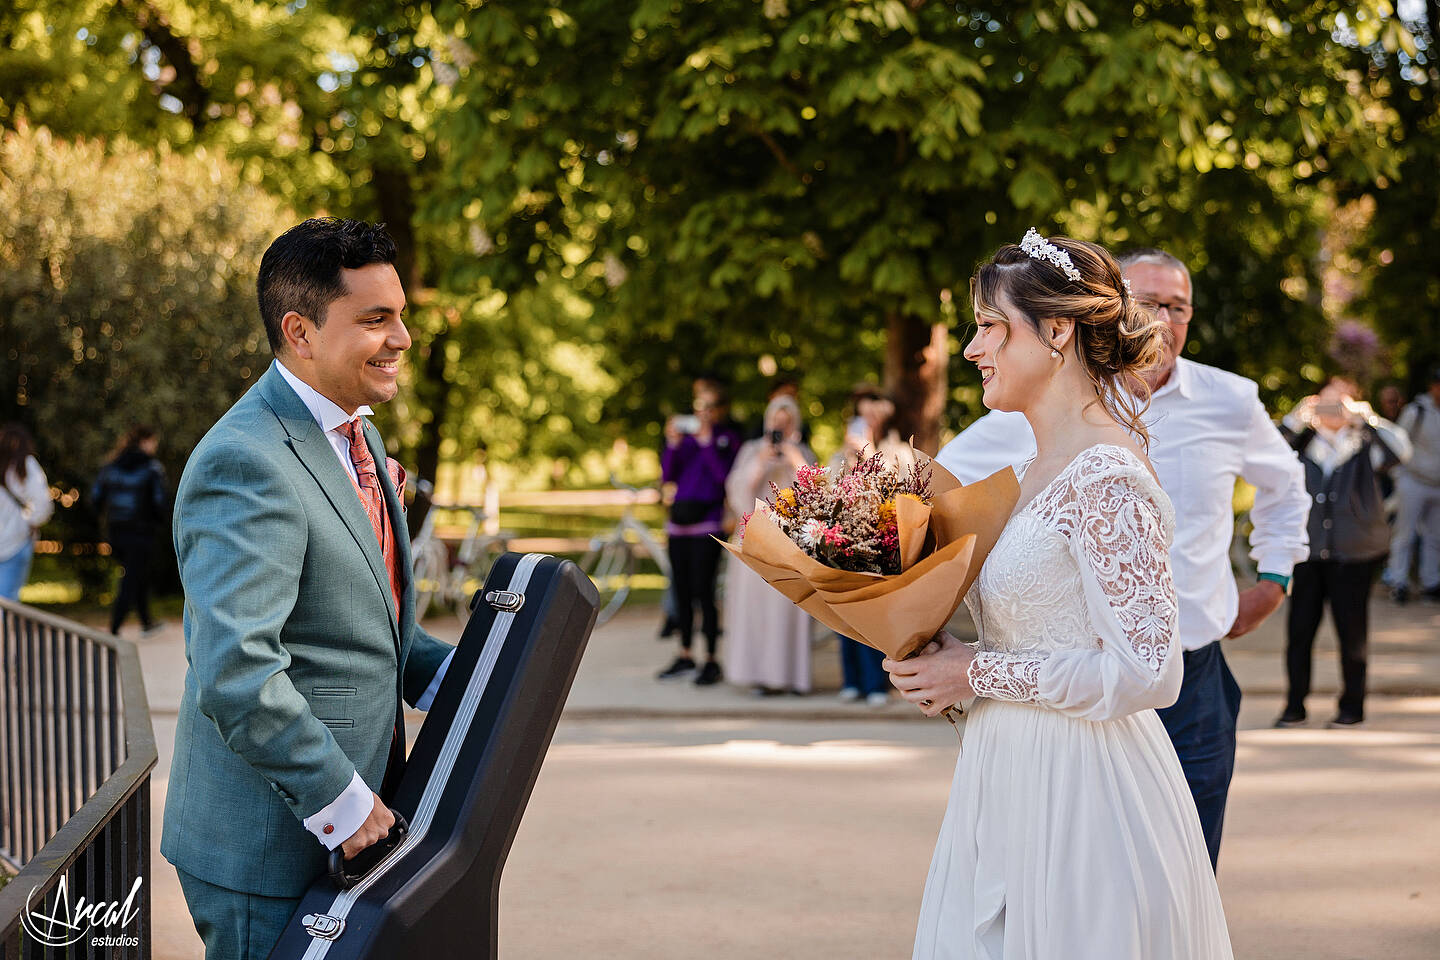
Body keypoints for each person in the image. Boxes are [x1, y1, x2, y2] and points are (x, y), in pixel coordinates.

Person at [885, 231, 1231, 958]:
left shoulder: (1107, 478)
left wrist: (972, 672)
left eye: (989, 327)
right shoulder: (1030, 467)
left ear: (1057, 331)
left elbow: (1149, 671)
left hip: (1084, 791)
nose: (974, 349)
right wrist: (940, 653)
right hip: (1005, 768)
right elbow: (1035, 630)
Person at [935, 246, 1309, 869]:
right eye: (1147, 302)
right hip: (1023, 739)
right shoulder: (1023, 441)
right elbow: (935, 497)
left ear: (1061, 329)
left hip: (1188, 676)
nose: (1161, 318)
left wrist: (1274, 577)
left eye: (1177, 306)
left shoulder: (1220, 404)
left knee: (1178, 861)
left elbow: (1286, 488)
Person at [162, 218, 456, 960]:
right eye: (376, 319)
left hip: (364, 833)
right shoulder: (247, 461)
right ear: (300, 330)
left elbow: (371, 623)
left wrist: (494, 679)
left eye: (401, 315)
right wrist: (344, 807)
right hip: (274, 850)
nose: (403, 339)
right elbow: (237, 672)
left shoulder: (359, 430)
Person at [1275, 377, 1410, 728]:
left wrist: (1368, 419)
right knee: (1299, 634)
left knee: (1353, 636)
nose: (1332, 409)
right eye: (1325, 401)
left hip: (1354, 555)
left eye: (1341, 402)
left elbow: (1402, 452)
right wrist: (1295, 418)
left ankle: (1352, 707)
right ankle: (1294, 706)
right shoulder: (1301, 441)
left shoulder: (1367, 442)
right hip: (1306, 552)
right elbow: (1269, 455)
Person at [722, 395, 816, 695]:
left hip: (790, 542)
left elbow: (815, 490)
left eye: (786, 423)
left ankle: (791, 677)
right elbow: (737, 492)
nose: (780, 427)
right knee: (756, 612)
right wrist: (762, 460)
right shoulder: (751, 450)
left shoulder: (801, 452)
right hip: (755, 538)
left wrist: (792, 457)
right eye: (776, 421)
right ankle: (759, 676)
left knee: (789, 610)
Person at [834, 384, 916, 706]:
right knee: (844, 611)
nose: (867, 418)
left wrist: (868, 454)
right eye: (861, 413)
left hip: (884, 541)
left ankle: (876, 683)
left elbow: (903, 489)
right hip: (845, 540)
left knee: (875, 614)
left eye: (874, 411)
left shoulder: (899, 449)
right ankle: (851, 679)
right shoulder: (843, 452)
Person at [657, 378, 743, 685]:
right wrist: (673, 444)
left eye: (708, 406)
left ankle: (710, 658)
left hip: (707, 523)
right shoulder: (687, 438)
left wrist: (708, 443)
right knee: (680, 591)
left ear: (719, 409)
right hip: (678, 525)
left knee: (703, 592)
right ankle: (684, 654)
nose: (702, 412)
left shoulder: (728, 439)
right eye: (698, 406)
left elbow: (725, 478)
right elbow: (669, 474)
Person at [92, 425, 168, 636]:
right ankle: (114, 628)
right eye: (153, 441)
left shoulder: (111, 466)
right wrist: (158, 522)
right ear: (144, 442)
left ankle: (146, 622)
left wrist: (108, 517)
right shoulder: (152, 468)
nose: (154, 446)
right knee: (131, 579)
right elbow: (159, 502)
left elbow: (96, 497)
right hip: (141, 532)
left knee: (136, 574)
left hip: (116, 531)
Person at [1383, 366, 1440, 603]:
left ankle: (1431, 582)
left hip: (1437, 484)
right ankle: (1398, 581)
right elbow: (1397, 446)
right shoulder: (1416, 411)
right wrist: (1400, 479)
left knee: (1434, 537)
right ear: (1432, 386)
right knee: (1404, 534)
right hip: (1413, 481)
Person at [0, 424, 53, 601]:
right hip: (17, 539)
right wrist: (31, 522)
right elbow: (43, 503)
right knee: (9, 600)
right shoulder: (26, 465)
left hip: (11, 538)